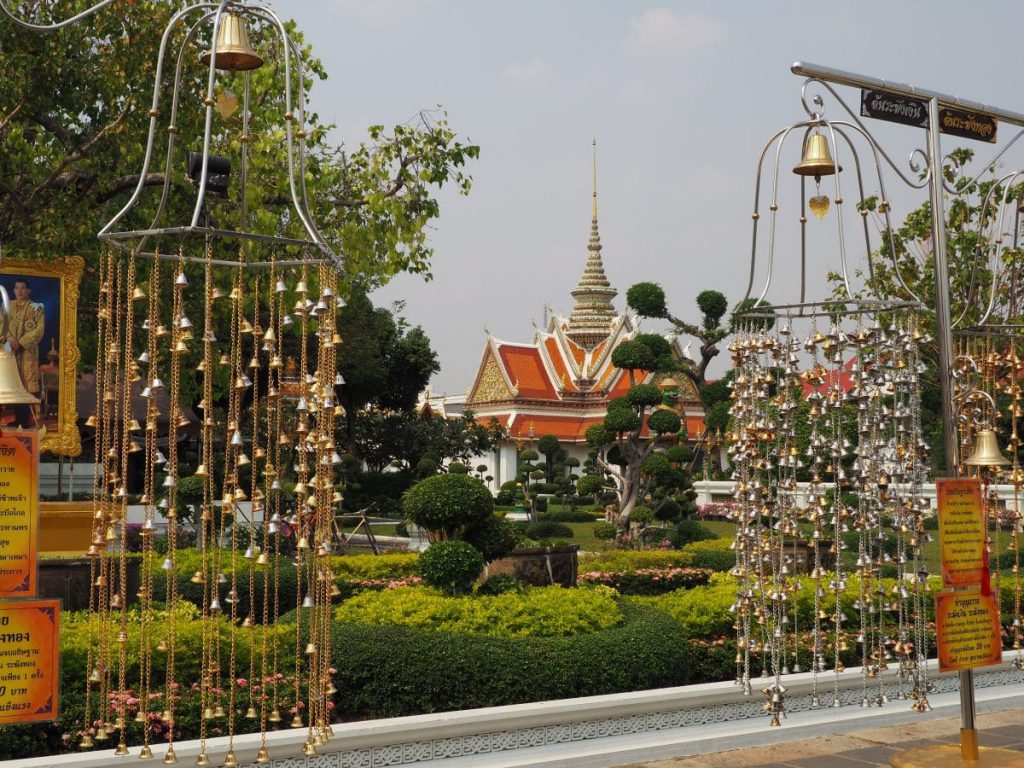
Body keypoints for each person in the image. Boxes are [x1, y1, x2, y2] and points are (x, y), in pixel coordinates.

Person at [6, 278, 44, 427]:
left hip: (27, 352)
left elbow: (39, 330)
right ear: (14, 290)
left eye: (23, 288)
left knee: (26, 385)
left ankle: (25, 420)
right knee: (14, 385)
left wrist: (21, 342)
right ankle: (17, 419)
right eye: (17, 288)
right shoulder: (7, 306)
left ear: (29, 291)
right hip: (10, 351)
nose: (20, 291)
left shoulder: (36, 307)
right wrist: (9, 339)